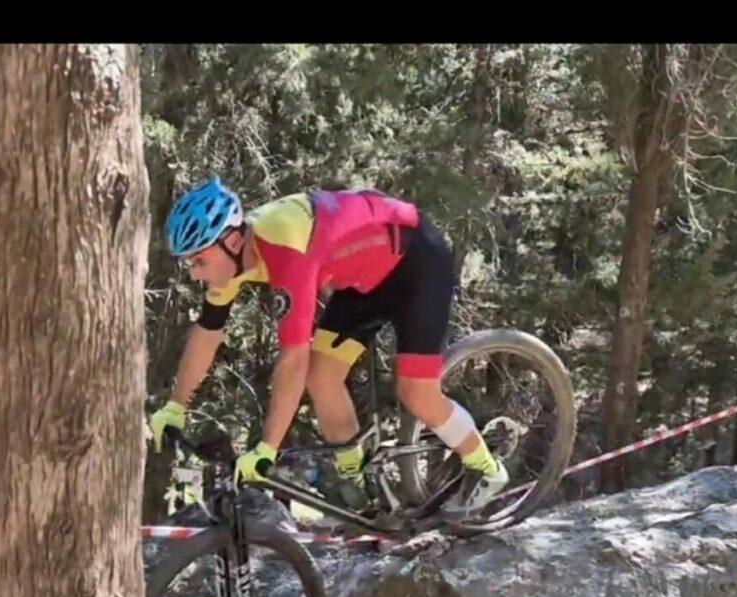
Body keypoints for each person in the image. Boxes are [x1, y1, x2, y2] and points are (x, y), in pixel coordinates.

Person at [147, 176, 508, 515]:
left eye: (199, 260)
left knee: (416, 392)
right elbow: (207, 332)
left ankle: (486, 467)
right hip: (364, 277)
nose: (194, 273)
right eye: (189, 263)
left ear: (233, 241)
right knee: (322, 377)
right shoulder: (233, 261)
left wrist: (267, 448)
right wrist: (176, 406)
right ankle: (357, 483)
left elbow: (293, 358)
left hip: (416, 262)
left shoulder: (286, 247)